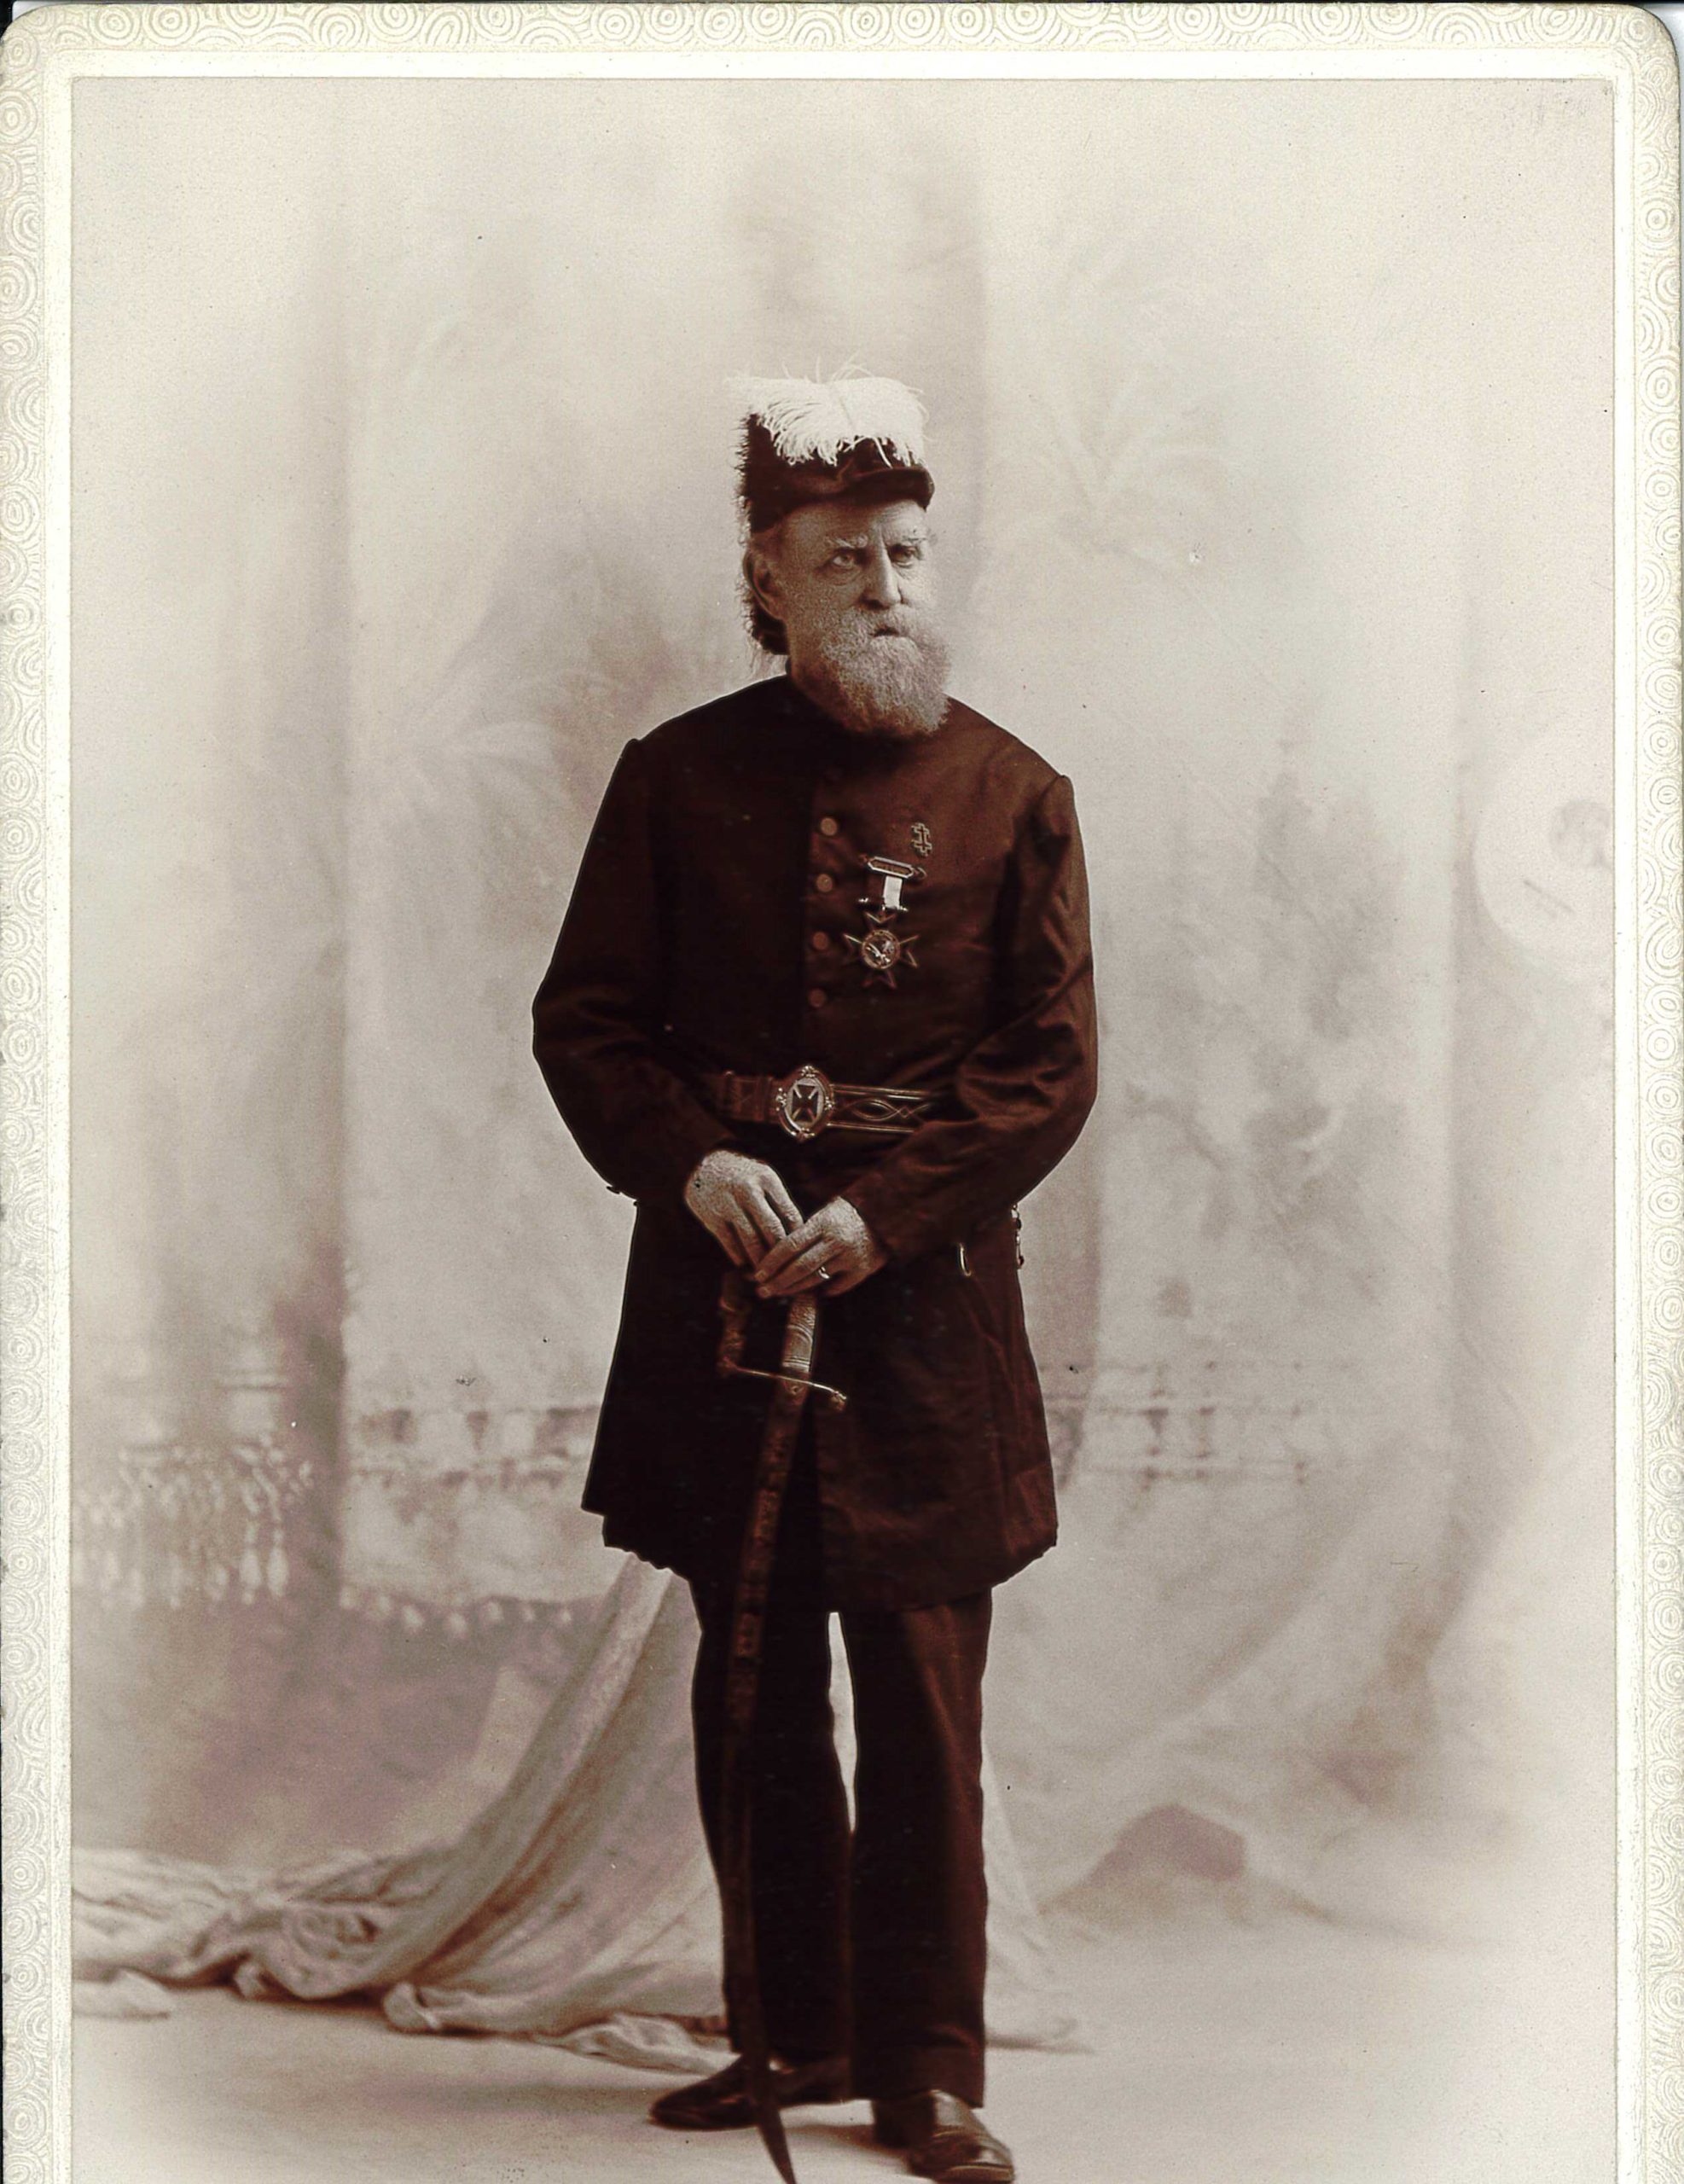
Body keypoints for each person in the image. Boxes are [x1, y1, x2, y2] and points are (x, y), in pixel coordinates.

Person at [531, 373, 1098, 2183]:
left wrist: (891, 1210)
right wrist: (691, 1156)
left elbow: (1048, 1066)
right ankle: (796, 2025)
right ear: (766, 577)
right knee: (750, 1673)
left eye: (910, 550)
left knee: (923, 1687)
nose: (889, 583)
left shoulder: (1018, 794)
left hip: (919, 1302)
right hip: (720, 1280)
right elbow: (588, 1021)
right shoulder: (674, 777)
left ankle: (926, 2063)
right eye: (846, 556)